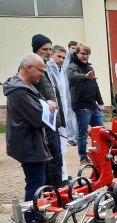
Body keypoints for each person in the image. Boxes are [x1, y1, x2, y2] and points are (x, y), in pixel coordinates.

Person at [3, 53, 55, 223]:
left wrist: (46, 103)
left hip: (29, 141)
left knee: (37, 181)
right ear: (29, 68)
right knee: (34, 184)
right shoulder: (20, 91)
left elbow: (39, 105)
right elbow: (37, 118)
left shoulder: (25, 87)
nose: (42, 74)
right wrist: (48, 108)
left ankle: (37, 215)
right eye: (40, 70)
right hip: (29, 144)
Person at [32, 34, 65, 189]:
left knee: (56, 157)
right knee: (52, 157)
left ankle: (54, 189)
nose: (48, 52)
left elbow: (54, 92)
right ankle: (52, 190)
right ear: (36, 49)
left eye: (50, 49)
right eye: (44, 49)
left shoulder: (47, 67)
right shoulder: (32, 67)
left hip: (52, 119)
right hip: (44, 120)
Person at [68, 43, 105, 165]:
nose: (85, 56)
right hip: (81, 106)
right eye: (83, 53)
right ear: (76, 53)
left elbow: (95, 86)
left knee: (102, 131)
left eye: (87, 54)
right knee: (83, 133)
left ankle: (104, 155)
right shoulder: (72, 66)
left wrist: (100, 102)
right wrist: (85, 76)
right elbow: (73, 76)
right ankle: (83, 158)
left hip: (93, 106)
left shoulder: (89, 67)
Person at [47, 45, 70, 185]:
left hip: (63, 112)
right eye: (59, 57)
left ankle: (63, 175)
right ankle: (60, 177)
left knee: (61, 147)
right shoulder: (49, 69)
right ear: (52, 55)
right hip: (54, 113)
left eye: (63, 57)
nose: (61, 60)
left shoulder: (60, 70)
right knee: (57, 149)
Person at [63, 41, 78, 146]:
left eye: (75, 49)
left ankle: (78, 135)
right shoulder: (64, 59)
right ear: (68, 48)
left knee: (77, 112)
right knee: (69, 112)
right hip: (66, 88)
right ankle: (70, 137)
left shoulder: (76, 58)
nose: (74, 50)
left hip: (75, 87)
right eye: (72, 48)